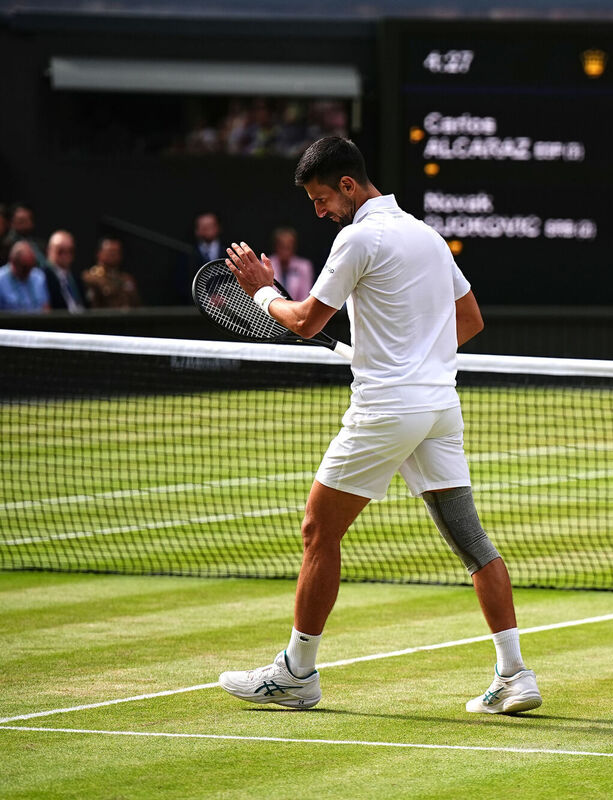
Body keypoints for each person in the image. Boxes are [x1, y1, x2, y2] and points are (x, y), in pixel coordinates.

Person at [217, 136, 541, 714]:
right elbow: (470, 319)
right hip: (439, 407)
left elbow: (307, 321)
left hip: (387, 408)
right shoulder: (428, 236)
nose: (319, 212)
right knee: (472, 542)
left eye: (322, 199)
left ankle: (296, 673)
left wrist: (263, 290)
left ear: (348, 185)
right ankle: (515, 674)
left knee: (319, 529)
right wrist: (414, 354)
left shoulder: (358, 237)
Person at [82, 236, 141, 309]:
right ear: (99, 253)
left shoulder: (127, 279)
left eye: (117, 252)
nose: (113, 255)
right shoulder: (91, 277)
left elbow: (137, 305)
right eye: (110, 252)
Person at [42, 230, 86, 312]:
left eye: (70, 251)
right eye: (60, 251)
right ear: (49, 250)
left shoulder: (75, 279)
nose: (66, 255)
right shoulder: (42, 277)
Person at [0, 240, 50, 312]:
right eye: (24, 268)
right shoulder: (1, 280)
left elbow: (46, 308)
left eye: (31, 267)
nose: (28, 272)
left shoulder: (39, 277)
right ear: (12, 262)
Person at [269, 226, 314, 300]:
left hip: (296, 309)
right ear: (275, 246)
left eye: (288, 247)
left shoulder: (304, 266)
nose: (285, 251)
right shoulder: (263, 266)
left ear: (294, 247)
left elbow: (305, 298)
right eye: (282, 246)